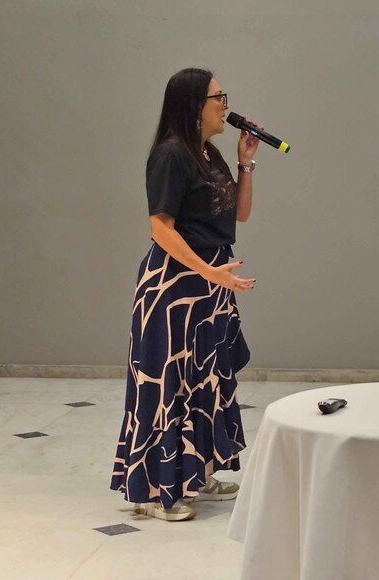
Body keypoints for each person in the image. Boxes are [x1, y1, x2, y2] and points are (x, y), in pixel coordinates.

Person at [110, 68, 260, 522]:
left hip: (208, 286)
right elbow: (160, 228)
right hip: (174, 289)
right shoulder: (171, 154)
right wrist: (208, 271)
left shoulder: (208, 153)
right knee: (168, 386)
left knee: (205, 381)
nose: (225, 105)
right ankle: (154, 493)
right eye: (219, 97)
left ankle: (197, 472)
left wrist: (246, 163)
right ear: (196, 105)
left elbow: (240, 215)